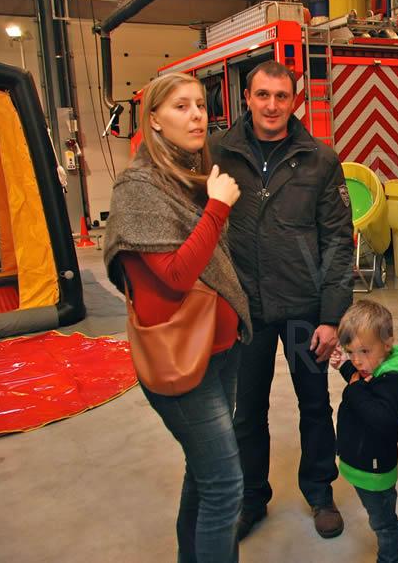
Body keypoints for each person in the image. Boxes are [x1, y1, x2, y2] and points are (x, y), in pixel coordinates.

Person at [104, 72, 252, 563]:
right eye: (181, 107)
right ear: (154, 120)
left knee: (204, 475)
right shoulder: (139, 187)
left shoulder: (189, 177)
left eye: (200, 106)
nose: (197, 117)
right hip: (182, 363)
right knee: (225, 487)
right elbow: (175, 274)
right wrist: (217, 208)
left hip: (218, 352)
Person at [209, 60, 355, 540]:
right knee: (246, 411)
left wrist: (331, 316)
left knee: (314, 405)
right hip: (243, 309)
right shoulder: (218, 153)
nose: (272, 105)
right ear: (247, 98)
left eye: (281, 96)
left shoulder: (320, 159)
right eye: (263, 95)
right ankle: (250, 498)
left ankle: (320, 492)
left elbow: (338, 240)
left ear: (295, 101)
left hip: (303, 307)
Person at [330, 300, 398, 563]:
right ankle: (397, 536)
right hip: (364, 461)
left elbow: (382, 418)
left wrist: (353, 389)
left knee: (381, 522)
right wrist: (345, 368)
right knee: (382, 512)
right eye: (351, 352)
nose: (357, 360)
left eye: (365, 351)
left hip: (374, 468)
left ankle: (389, 555)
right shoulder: (373, 368)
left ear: (387, 343)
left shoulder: (393, 381)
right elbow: (363, 382)